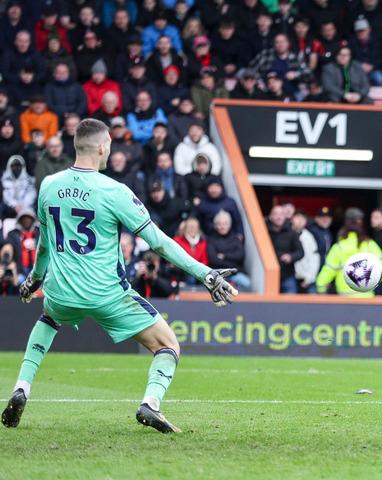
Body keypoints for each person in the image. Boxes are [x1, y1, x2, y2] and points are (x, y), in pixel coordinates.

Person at [2, 118, 238, 433]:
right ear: (102, 147)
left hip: (60, 291)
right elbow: (159, 242)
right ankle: (150, 404)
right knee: (168, 346)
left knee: (48, 319)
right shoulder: (115, 191)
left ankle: (22, 387)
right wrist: (205, 274)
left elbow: (44, 246)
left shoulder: (48, 185)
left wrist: (33, 281)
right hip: (107, 294)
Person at [315, 208, 382, 297]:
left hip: (345, 297)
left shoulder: (339, 247)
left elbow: (329, 270)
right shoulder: (370, 245)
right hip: (366, 297)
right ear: (360, 223)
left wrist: (321, 287)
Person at [207, 211, 252, 291]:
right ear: (215, 225)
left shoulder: (236, 239)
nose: (222, 226)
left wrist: (224, 256)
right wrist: (232, 259)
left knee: (247, 283)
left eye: (225, 223)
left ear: (230, 224)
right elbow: (213, 259)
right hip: (218, 274)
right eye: (219, 224)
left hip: (235, 273)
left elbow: (240, 256)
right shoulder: (211, 239)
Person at [267, 204, 304, 293]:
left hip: (287, 275)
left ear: (285, 217)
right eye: (276, 214)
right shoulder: (264, 231)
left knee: (291, 301)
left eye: (281, 214)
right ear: (271, 217)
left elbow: (301, 252)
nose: (279, 217)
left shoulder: (292, 233)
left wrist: (290, 257)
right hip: (269, 275)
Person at [173, 217, 208, 285]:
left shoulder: (203, 242)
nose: (192, 229)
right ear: (185, 228)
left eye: (194, 227)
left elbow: (204, 260)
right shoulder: (178, 240)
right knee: (191, 278)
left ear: (198, 229)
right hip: (182, 272)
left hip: (199, 272)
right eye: (190, 227)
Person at [291, 211, 319, 294]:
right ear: (292, 219)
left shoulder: (309, 237)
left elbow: (314, 259)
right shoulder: (286, 234)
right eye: (297, 217)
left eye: (302, 218)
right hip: (289, 276)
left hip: (304, 277)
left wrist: (309, 278)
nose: (300, 221)